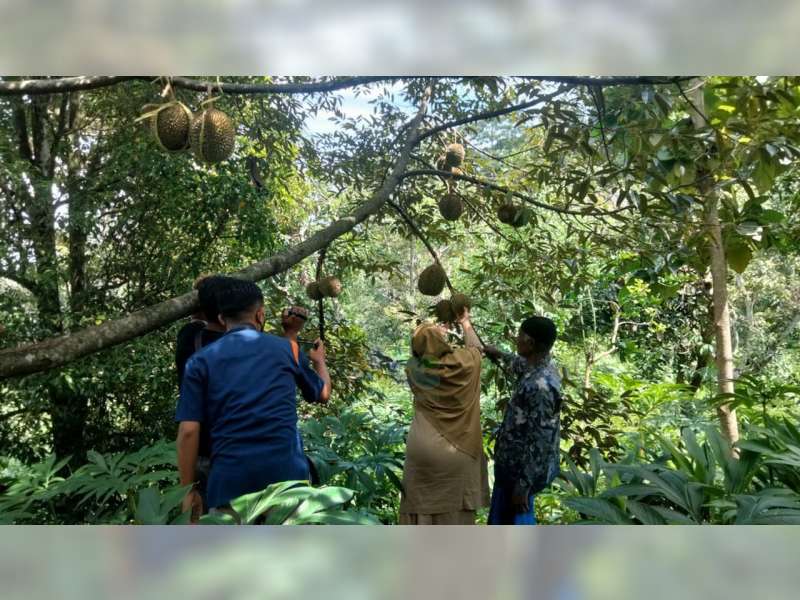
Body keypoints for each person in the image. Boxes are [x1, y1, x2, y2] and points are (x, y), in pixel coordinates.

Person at [176, 280, 331, 521]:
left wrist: (187, 491)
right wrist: (319, 361)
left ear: (222, 317)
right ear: (260, 315)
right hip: (287, 479)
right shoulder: (287, 350)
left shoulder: (200, 360)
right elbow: (322, 394)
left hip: (230, 482)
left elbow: (188, 431)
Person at [399, 309, 490, 525]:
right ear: (440, 342)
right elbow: (476, 349)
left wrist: (432, 334)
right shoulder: (462, 363)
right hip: (458, 449)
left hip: (421, 447)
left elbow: (423, 352)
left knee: (419, 505)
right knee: (454, 512)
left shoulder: (415, 368)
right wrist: (465, 323)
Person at [483, 316, 562, 525]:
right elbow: (518, 363)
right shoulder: (537, 368)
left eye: (520, 335)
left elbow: (542, 439)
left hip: (520, 475)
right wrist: (498, 354)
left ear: (531, 343)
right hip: (511, 470)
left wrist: (524, 485)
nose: (516, 338)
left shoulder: (540, 385)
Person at [173, 274, 236, 515]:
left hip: (203, 447)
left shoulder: (191, 336)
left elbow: (188, 429)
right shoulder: (244, 342)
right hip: (239, 448)